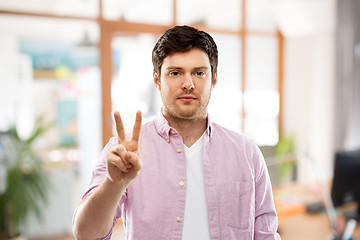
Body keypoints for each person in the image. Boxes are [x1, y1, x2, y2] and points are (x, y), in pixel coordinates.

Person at [73, 25, 281, 240]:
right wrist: (113, 184)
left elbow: (266, 235)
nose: (188, 84)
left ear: (214, 80)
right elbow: (85, 234)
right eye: (175, 73)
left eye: (199, 73)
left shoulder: (247, 153)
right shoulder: (123, 152)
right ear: (157, 80)